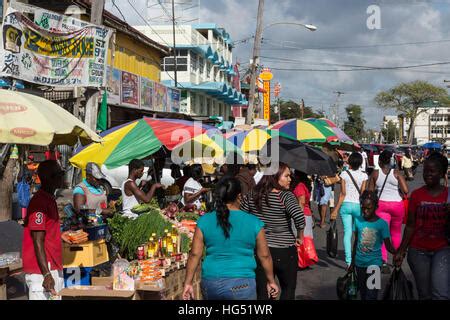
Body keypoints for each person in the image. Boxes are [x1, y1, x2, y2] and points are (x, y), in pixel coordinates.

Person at [182, 177, 279, 300]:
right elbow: (264, 256)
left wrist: (188, 283)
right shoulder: (254, 222)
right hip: (242, 283)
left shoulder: (204, 220)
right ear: (239, 196)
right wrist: (271, 281)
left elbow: (195, 254)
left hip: (211, 282)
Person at [240, 163, 305, 300]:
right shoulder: (285, 196)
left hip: (260, 250)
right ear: (275, 177)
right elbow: (299, 217)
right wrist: (300, 236)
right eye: (286, 176)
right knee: (287, 289)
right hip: (284, 251)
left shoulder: (253, 194)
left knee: (263, 291)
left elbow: (242, 216)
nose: (290, 179)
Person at [394, 153, 450, 300]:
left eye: (432, 171)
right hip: (418, 252)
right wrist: (401, 250)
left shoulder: (448, 196)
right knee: (424, 294)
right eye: (425, 171)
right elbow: (410, 226)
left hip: (443, 249)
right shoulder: (416, 195)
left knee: (441, 293)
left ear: (442, 173)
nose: (427, 174)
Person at [22, 160, 72, 300]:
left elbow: (46, 231)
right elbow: (37, 240)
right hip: (42, 272)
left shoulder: (49, 199)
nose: (63, 177)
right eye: (60, 174)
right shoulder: (39, 202)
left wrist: (60, 235)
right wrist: (46, 274)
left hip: (53, 267)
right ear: (50, 178)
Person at [349, 190, 397, 300]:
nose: (365, 211)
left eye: (368, 208)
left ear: (376, 207)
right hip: (359, 264)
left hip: (375, 264)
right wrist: (352, 262)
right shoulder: (357, 221)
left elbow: (388, 245)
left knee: (371, 295)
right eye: (363, 208)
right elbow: (356, 242)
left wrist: (398, 252)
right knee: (363, 294)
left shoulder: (382, 224)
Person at [368, 150, 408, 274]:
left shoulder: (375, 173)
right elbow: (406, 190)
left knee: (382, 235)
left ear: (379, 161)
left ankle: (384, 261)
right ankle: (397, 260)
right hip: (397, 205)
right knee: (395, 233)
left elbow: (370, 192)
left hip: (381, 205)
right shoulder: (396, 173)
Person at [331, 152, 368, 269]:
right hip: (358, 206)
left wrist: (335, 210)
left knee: (347, 233)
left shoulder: (344, 174)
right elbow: (362, 193)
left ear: (350, 162)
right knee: (359, 233)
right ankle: (359, 257)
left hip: (346, 205)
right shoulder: (364, 176)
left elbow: (342, 194)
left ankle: (348, 261)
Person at [293, 170, 314, 239]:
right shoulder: (305, 184)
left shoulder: (300, 186)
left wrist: (299, 218)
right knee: (307, 240)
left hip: (302, 214)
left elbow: (301, 202)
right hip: (307, 213)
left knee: (303, 240)